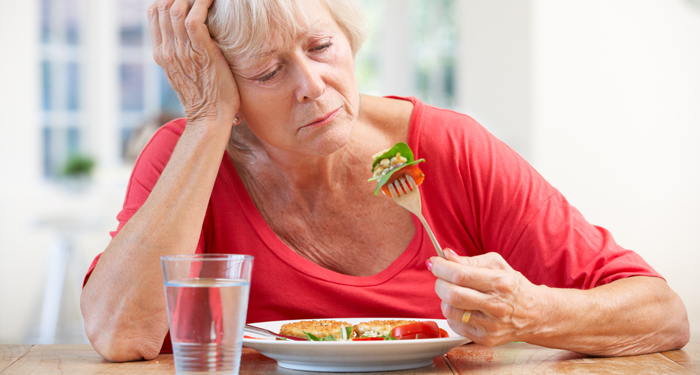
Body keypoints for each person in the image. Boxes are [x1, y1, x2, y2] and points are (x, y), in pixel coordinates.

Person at [80, 0, 689, 362]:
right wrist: (208, 119)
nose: (313, 85)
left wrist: (531, 312)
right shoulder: (189, 156)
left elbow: (661, 315)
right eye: (268, 71)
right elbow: (121, 335)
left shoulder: (448, 149)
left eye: (321, 46)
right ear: (225, 88)